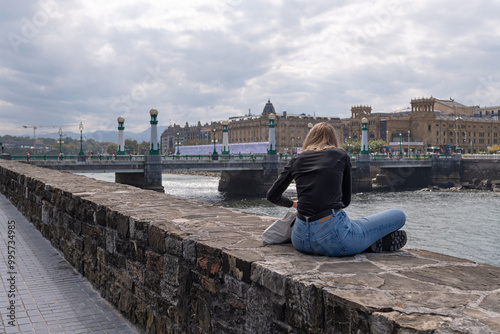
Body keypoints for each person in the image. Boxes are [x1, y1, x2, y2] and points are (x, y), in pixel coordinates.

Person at [266, 122, 406, 256]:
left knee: (355, 226)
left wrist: (293, 203)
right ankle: (373, 242)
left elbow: (272, 195)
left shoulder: (296, 159)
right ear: (333, 139)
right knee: (398, 215)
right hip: (333, 239)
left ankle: (366, 242)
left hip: (300, 239)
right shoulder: (341, 155)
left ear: (310, 138)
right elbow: (345, 201)